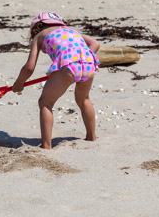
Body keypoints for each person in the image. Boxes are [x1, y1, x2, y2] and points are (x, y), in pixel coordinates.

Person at [12, 12, 100, 149]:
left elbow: (29, 67)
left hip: (68, 66)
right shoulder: (70, 31)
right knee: (84, 99)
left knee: (45, 102)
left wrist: (19, 83)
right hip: (89, 64)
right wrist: (83, 57)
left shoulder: (39, 36)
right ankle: (91, 136)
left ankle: (46, 145)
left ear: (36, 28)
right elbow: (95, 43)